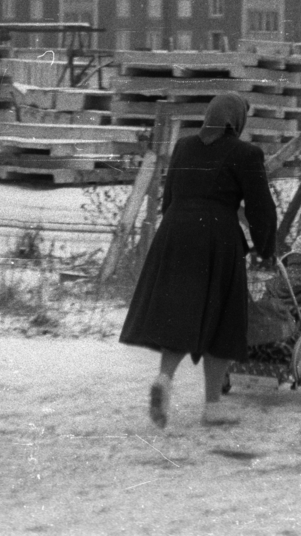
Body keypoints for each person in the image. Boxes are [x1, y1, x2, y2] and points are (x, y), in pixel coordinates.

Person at [119, 93, 277, 428]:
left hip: (174, 234)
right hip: (218, 239)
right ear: (237, 121)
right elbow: (261, 208)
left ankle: (164, 378)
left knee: (180, 313)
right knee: (223, 320)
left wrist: (177, 228)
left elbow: (170, 197)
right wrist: (265, 247)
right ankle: (213, 406)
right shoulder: (246, 154)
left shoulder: (184, 147)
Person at [247, 235, 301, 365]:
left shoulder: (275, 282)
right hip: (294, 340)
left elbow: (262, 308)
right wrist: (294, 311)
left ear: (291, 258)